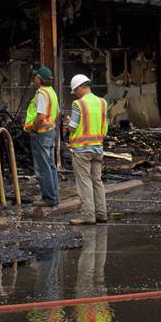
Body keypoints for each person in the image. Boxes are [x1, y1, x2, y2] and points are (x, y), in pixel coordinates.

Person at [66, 74, 109, 226]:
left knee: (84, 182)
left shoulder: (78, 104)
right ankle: (101, 213)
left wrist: (68, 123)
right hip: (98, 148)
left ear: (79, 88)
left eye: (75, 91)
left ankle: (88, 216)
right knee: (97, 181)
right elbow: (105, 127)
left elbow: (73, 127)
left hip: (82, 149)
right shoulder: (102, 102)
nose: (75, 94)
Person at [24, 66, 60, 207]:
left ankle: (49, 199)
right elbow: (57, 112)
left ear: (39, 79)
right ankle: (53, 196)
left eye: (35, 77)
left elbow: (40, 116)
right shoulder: (52, 92)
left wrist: (34, 129)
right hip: (50, 131)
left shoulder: (41, 94)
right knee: (51, 166)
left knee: (43, 167)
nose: (34, 79)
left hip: (41, 134)